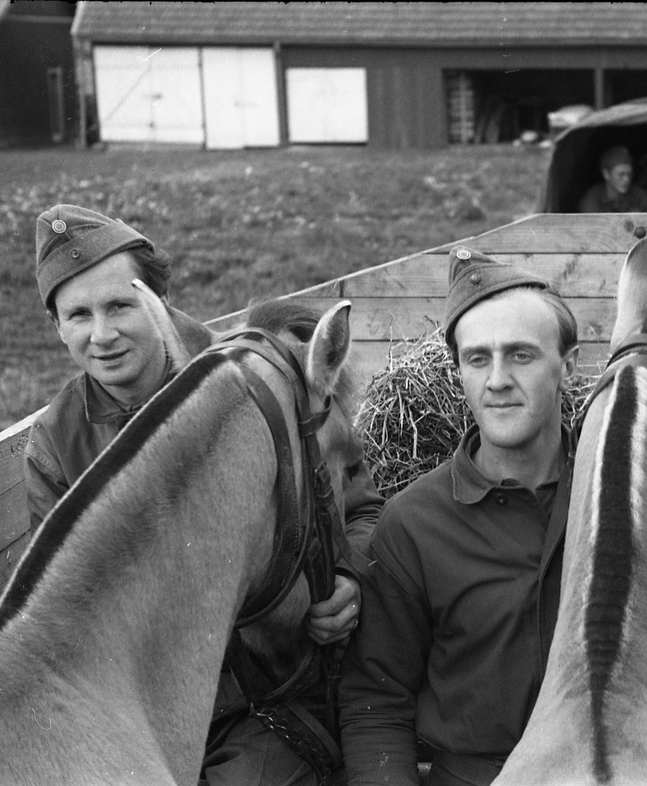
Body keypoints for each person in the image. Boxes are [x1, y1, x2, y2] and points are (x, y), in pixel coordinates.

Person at [339, 247, 647, 786]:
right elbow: (376, 700)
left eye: (521, 355)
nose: (497, 380)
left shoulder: (627, 493)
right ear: (458, 372)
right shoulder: (412, 524)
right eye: (477, 359)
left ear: (568, 366)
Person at [24, 204, 384, 786]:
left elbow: (361, 506)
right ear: (56, 326)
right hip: (134, 707)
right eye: (78, 315)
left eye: (120, 305)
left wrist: (349, 575)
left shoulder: (248, 388)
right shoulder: (56, 445)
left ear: (160, 305)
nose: (102, 334)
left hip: (267, 692)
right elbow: (61, 610)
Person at [576, 145, 647, 213]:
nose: (626, 179)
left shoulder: (640, 196)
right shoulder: (592, 199)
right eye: (621, 174)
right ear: (606, 174)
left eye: (629, 174)